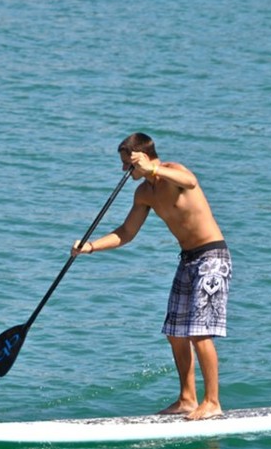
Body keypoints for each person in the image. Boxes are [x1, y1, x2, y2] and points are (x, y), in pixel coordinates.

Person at [72, 133, 232, 420]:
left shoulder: (175, 173)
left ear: (142, 158)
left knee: (198, 331)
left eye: (128, 164)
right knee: (175, 332)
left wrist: (154, 169)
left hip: (212, 257)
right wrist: (91, 247)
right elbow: (126, 232)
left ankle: (212, 402)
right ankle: (187, 398)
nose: (124, 171)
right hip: (187, 260)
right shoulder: (144, 193)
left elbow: (191, 183)